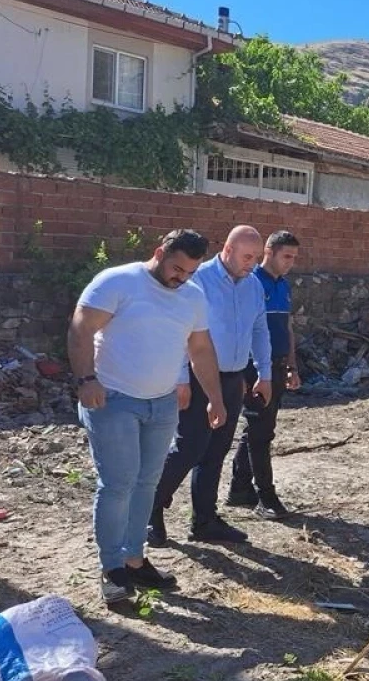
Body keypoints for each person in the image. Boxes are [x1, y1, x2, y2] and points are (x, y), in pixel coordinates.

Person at [68, 229, 227, 605]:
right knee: (118, 483)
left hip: (162, 403)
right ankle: (112, 569)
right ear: (159, 253)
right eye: (177, 268)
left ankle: (134, 560)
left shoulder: (192, 296)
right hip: (113, 399)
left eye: (190, 272)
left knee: (147, 483)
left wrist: (216, 397)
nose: (181, 278)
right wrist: (86, 380)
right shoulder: (118, 282)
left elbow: (201, 350)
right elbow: (81, 327)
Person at [149, 225, 273, 546]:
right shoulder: (198, 279)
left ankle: (204, 521)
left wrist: (265, 373)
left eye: (257, 258)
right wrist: (179, 379)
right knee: (189, 447)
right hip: (197, 377)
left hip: (234, 378)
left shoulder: (253, 285)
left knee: (216, 451)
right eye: (247, 257)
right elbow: (178, 330)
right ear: (228, 250)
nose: (252, 264)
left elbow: (260, 328)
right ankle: (150, 510)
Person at [227, 230, 301, 519]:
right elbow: (246, 329)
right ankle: (266, 497)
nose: (291, 263)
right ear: (268, 252)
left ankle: (239, 488)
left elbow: (288, 329)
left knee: (259, 428)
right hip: (256, 367)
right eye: (287, 257)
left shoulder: (283, 286)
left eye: (294, 258)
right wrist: (255, 370)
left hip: (278, 364)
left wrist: (292, 366)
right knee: (260, 431)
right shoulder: (251, 283)